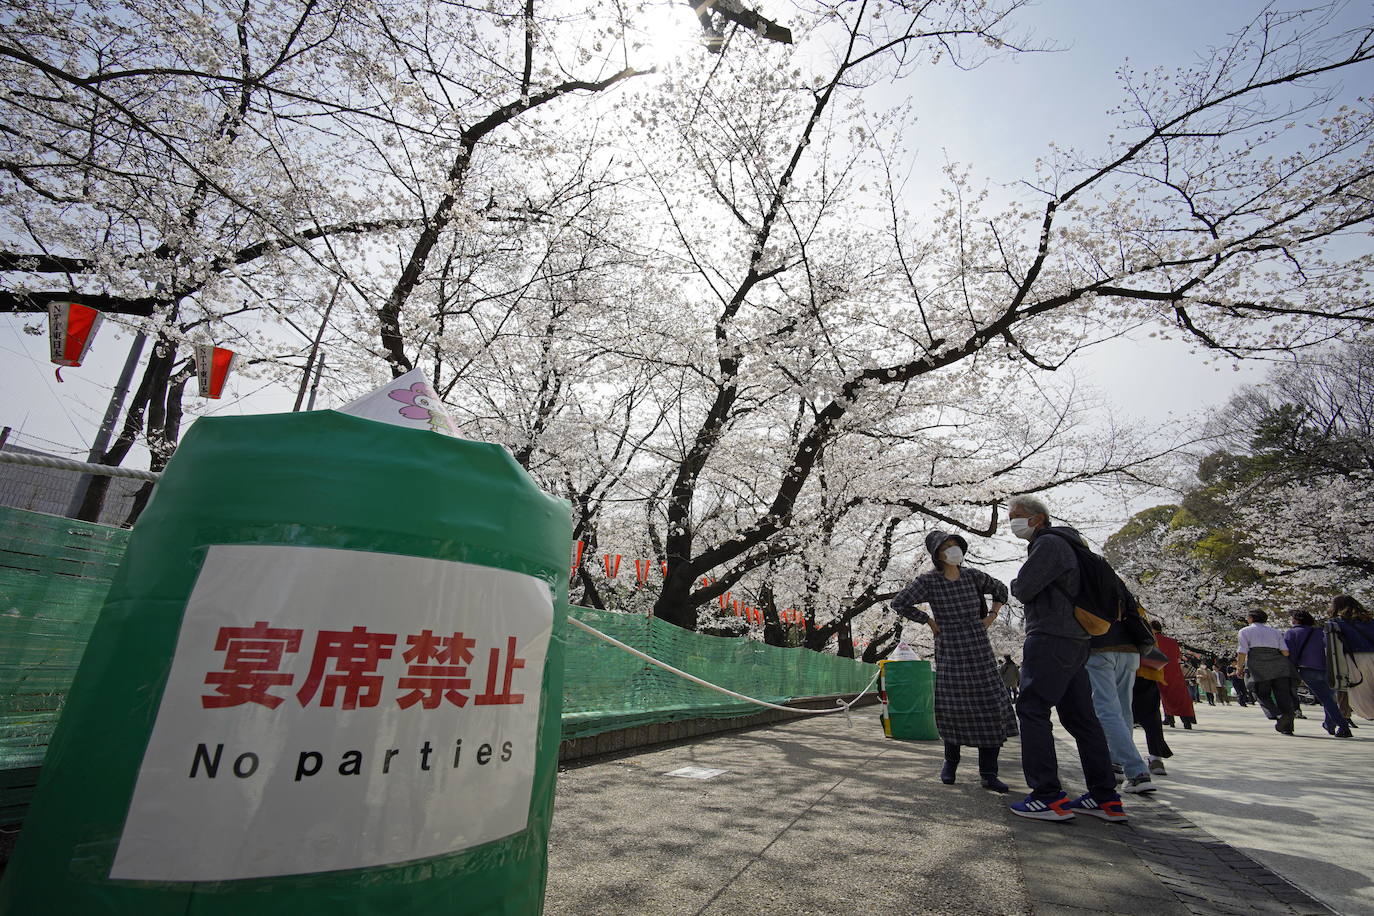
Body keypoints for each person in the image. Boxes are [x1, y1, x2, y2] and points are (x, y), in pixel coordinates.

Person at [1004, 496, 1124, 822]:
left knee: (1032, 709)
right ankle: (1105, 797)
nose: (1011, 522)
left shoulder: (1048, 544)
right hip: (1077, 640)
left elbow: (1024, 588)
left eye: (1016, 516)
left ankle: (1047, 796)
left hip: (1050, 637)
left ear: (1038, 519)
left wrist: (1016, 581)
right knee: (1081, 719)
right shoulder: (1072, 544)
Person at [890, 529, 1017, 792]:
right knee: (952, 706)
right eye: (946, 546)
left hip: (978, 645)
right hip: (949, 645)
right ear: (937, 553)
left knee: (990, 704)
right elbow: (899, 602)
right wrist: (927, 620)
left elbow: (1001, 589)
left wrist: (992, 615)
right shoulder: (929, 581)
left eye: (955, 545)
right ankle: (950, 762)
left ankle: (989, 772)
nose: (952, 550)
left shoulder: (973, 576)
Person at [1085, 600, 1157, 794]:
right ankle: (1115, 761)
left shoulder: (1082, 575)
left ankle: (1136, 771)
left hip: (1100, 648)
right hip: (1130, 650)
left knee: (1106, 709)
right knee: (1124, 709)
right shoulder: (1115, 581)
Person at [1284, 610, 1351, 737]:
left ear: (1296, 620)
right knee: (1329, 698)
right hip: (1329, 668)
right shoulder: (1321, 631)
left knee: (1326, 699)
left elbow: (1290, 655)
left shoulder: (1291, 633)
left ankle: (1343, 726)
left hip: (1307, 669)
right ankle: (1329, 724)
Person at [1236, 610, 1298, 735]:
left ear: (1251, 618)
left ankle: (1278, 715)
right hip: (1279, 665)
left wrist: (1239, 667)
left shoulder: (1245, 631)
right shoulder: (1275, 631)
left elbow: (1242, 651)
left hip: (1259, 666)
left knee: (1260, 693)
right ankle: (1288, 727)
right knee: (1283, 696)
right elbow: (1285, 652)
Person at [1152, 621, 1196, 729]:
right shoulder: (1172, 641)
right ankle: (1186, 721)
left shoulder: (1152, 641)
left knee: (1162, 695)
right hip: (1174, 670)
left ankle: (1169, 718)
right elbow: (1177, 655)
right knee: (1178, 695)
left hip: (1158, 669)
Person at [1132, 657, 1172, 776]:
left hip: (1119, 669)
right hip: (1146, 669)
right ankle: (1156, 758)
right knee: (1151, 715)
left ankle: (1118, 760)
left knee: (1120, 715)